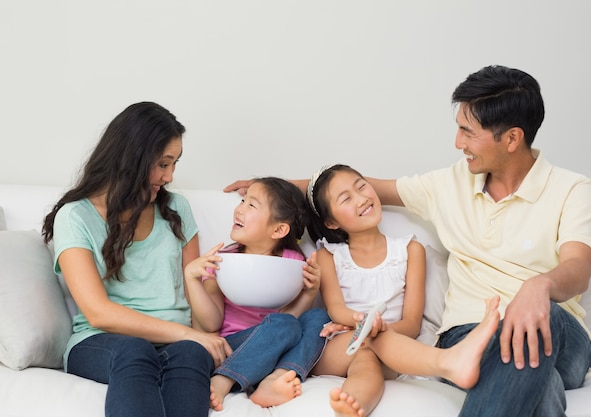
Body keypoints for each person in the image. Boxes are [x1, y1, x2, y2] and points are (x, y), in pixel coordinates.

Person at [224, 65, 591, 417]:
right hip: (468, 336)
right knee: (539, 381)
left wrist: (540, 286)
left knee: (538, 318)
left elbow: (578, 269)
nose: (457, 142)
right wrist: (272, 189)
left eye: (468, 132)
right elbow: (361, 186)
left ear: (512, 138)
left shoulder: (571, 188)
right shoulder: (449, 184)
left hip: (557, 334)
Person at [42, 102, 231, 417]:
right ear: (131, 159)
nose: (169, 176)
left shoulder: (178, 211)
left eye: (174, 164)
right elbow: (99, 313)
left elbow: (201, 311)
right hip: (99, 343)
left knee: (191, 353)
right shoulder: (75, 216)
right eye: (162, 164)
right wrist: (189, 333)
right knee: (137, 348)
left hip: (177, 343)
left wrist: (196, 336)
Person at [304, 163, 501, 417]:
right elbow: (336, 309)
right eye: (346, 198)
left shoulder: (410, 250)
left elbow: (411, 324)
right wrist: (364, 324)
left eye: (361, 186)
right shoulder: (328, 256)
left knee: (369, 351)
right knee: (367, 342)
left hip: (390, 348)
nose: (362, 198)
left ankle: (352, 406)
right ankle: (449, 362)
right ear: (331, 222)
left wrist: (374, 331)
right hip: (339, 346)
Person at [184, 177, 330, 411]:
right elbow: (211, 322)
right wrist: (192, 279)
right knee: (285, 324)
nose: (239, 209)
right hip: (233, 347)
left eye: (251, 205)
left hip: (277, 347)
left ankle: (276, 378)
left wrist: (309, 293)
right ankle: (224, 378)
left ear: (279, 229)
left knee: (319, 319)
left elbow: (289, 320)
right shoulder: (222, 259)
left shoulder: (293, 263)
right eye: (243, 201)